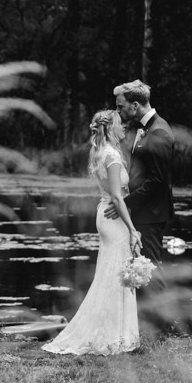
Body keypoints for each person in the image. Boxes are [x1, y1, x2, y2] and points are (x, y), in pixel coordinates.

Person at [42, 110, 141, 355]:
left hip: (104, 213)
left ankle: (113, 332)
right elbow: (118, 197)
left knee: (110, 273)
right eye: (119, 126)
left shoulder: (100, 153)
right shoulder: (113, 156)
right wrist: (133, 230)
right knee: (117, 273)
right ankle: (114, 335)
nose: (122, 130)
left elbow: (113, 194)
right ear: (109, 129)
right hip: (113, 217)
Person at [106, 79, 174, 295]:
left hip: (151, 213)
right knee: (143, 268)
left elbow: (157, 181)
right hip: (144, 210)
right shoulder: (146, 129)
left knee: (150, 268)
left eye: (120, 106)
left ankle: (166, 325)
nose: (118, 110)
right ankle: (150, 324)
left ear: (135, 105)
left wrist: (123, 204)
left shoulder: (159, 132)